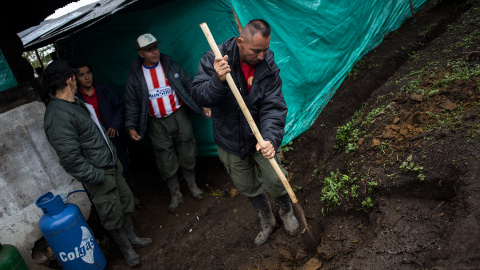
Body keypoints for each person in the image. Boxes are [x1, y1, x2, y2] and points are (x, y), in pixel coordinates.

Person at [191, 19, 299, 245]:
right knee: (247, 185)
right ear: (240, 42)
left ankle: (286, 211)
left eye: (266, 49)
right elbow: (200, 96)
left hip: (260, 135)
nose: (262, 56)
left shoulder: (267, 64)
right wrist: (217, 80)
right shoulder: (214, 57)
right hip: (229, 139)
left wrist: (270, 138)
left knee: (276, 179)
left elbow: (274, 105)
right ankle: (267, 220)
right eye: (256, 50)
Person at [42, 61, 151, 267]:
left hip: (111, 165)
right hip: (100, 174)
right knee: (111, 214)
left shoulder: (74, 103)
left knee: (124, 203)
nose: (77, 80)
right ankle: (126, 250)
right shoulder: (57, 115)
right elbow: (70, 160)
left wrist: (113, 160)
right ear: (69, 80)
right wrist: (98, 176)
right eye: (74, 76)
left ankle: (133, 238)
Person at [125, 33, 211, 213]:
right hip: (157, 123)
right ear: (140, 53)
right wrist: (131, 126)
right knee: (165, 158)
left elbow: (189, 85)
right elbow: (132, 103)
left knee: (187, 150)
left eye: (155, 47)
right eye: (149, 50)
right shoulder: (135, 76)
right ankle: (175, 194)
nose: (154, 52)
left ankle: (193, 187)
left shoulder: (170, 66)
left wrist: (202, 103)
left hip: (178, 115)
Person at [70, 59, 140, 206]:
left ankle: (133, 197)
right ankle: (120, 203)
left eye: (88, 73)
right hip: (97, 144)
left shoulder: (104, 90)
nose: (87, 77)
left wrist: (115, 123)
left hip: (114, 138)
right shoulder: (76, 100)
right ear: (75, 78)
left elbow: (120, 107)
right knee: (108, 174)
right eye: (82, 75)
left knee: (124, 169)